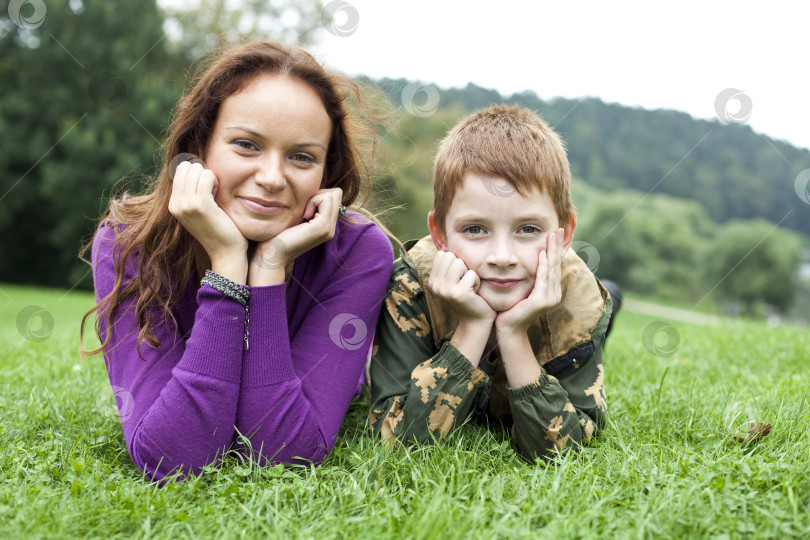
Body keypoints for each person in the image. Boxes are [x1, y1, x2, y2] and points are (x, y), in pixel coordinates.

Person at [80, 40, 393, 481]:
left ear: (327, 172)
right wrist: (228, 263)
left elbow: (284, 453)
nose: (271, 178)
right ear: (199, 148)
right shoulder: (127, 243)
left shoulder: (358, 253)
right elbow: (174, 457)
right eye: (246, 145)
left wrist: (269, 269)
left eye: (302, 157)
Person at [368, 104, 614, 462]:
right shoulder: (412, 285)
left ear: (564, 236)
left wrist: (514, 334)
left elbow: (565, 450)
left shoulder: (579, 299)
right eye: (475, 229)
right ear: (440, 234)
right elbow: (397, 441)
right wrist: (472, 326)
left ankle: (613, 307)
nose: (502, 257)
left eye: (528, 229)